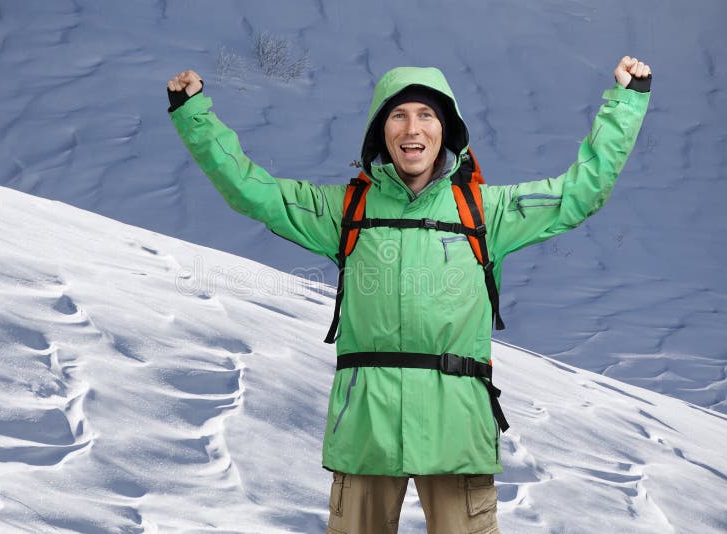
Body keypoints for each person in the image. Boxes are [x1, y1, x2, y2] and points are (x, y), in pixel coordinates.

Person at [167, 56, 652, 534]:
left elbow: (579, 193)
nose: (411, 128)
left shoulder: (488, 211)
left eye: (426, 115)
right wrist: (194, 115)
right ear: (382, 132)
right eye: (398, 115)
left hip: (457, 430)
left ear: (446, 130)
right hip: (366, 431)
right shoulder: (346, 210)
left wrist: (626, 103)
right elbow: (253, 191)